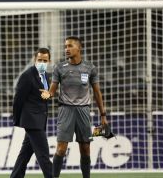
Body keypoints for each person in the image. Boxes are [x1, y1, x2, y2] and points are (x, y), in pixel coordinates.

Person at [42, 36, 108, 178]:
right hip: (65, 110)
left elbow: (97, 92)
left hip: (84, 110)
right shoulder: (59, 67)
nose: (67, 49)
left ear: (79, 48)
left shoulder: (90, 68)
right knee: (61, 149)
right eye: (65, 46)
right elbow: (52, 91)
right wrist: (46, 94)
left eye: (70, 46)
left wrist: (103, 115)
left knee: (85, 149)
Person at [11, 48, 53, 178]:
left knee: (24, 155)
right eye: (39, 60)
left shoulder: (46, 76)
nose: (42, 62)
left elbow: (44, 97)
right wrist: (17, 119)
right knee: (43, 155)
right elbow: (18, 99)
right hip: (32, 121)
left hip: (39, 120)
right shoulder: (27, 76)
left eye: (45, 60)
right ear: (35, 60)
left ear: (49, 61)